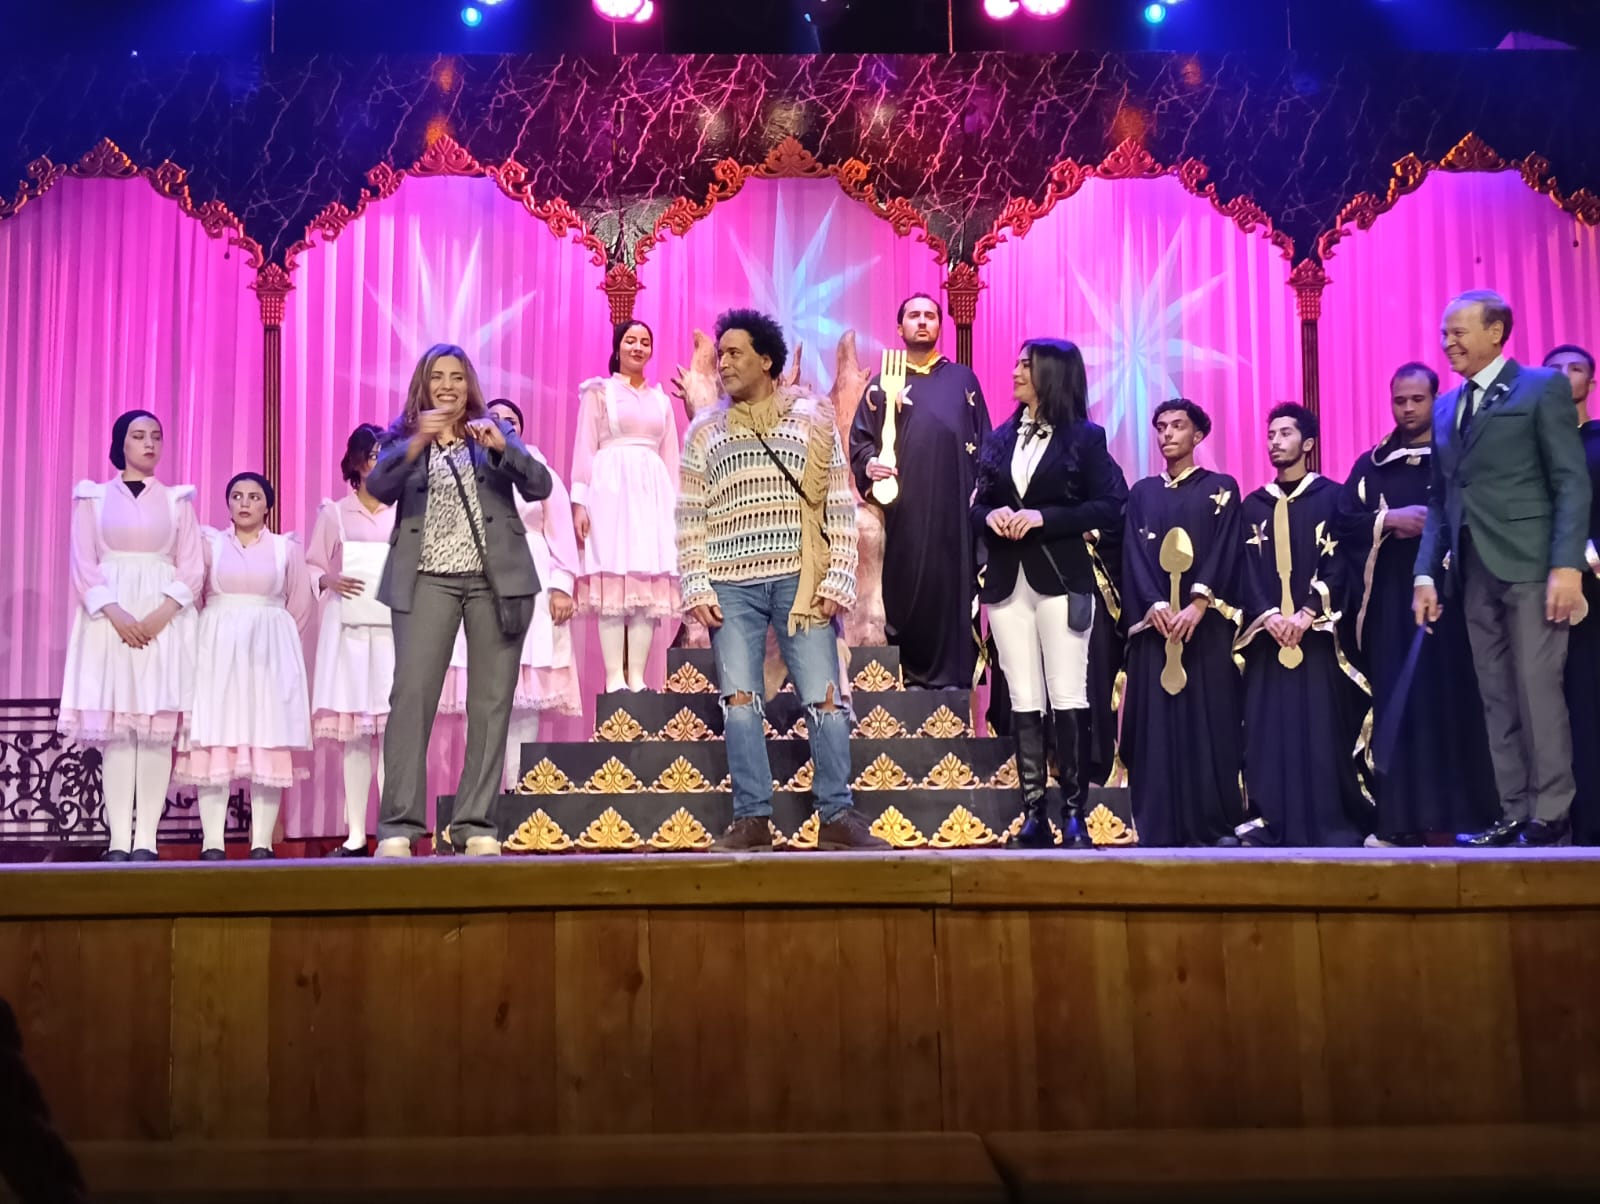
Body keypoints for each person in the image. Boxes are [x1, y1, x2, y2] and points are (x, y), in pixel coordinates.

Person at [678, 308, 886, 852]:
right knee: (739, 702)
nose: (723, 363)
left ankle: (836, 814)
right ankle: (752, 819)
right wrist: (695, 584)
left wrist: (839, 578)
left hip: (801, 580)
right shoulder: (704, 431)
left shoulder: (813, 419)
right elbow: (690, 515)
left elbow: (837, 503)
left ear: (767, 360)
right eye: (720, 355)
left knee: (825, 699)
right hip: (730, 586)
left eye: (735, 353)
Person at [1414, 291, 1592, 848]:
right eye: (1444, 334)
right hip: (1473, 570)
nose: (1448, 343)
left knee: (1538, 690)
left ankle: (1552, 813)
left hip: (1532, 564)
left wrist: (1567, 566)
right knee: (1496, 695)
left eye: (1459, 332)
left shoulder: (1541, 387)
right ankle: (1515, 811)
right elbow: (1441, 498)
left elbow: (1570, 480)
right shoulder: (1446, 406)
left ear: (1496, 332)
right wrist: (1425, 575)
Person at [367, 343, 552, 858]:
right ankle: (399, 825)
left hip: (494, 582)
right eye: (437, 377)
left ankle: (475, 824)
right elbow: (378, 487)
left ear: (469, 383)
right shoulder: (402, 437)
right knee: (412, 696)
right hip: (426, 579)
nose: (447, 386)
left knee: (491, 703)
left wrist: (504, 447)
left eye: (456, 377)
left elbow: (539, 485)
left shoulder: (491, 430)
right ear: (423, 385)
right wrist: (417, 442)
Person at [971, 339, 1127, 848]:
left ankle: (1075, 814)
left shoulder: (1085, 437)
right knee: (1023, 696)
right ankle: (1034, 814)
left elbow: (1111, 504)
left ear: (1052, 374)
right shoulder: (999, 437)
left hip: (1062, 578)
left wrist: (1044, 518)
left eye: (1027, 364)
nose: (1016, 371)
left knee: (1068, 693)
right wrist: (990, 515)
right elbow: (976, 505)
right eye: (1017, 362)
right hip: (1006, 582)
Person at [1335, 364, 1498, 845]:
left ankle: (1469, 820)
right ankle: (1400, 822)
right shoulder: (1372, 465)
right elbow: (1343, 523)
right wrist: (1388, 521)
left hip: (1454, 604)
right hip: (1392, 607)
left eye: (1417, 400)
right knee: (1399, 709)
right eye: (1399, 401)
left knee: (1457, 705)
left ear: (1435, 400)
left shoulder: (1459, 459)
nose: (1407, 409)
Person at [59, 410, 202, 862]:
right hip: (110, 622)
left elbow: (192, 567)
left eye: (156, 436)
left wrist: (162, 614)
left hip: (164, 621)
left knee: (156, 731)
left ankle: (147, 841)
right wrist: (116, 612)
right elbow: (83, 565)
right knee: (119, 732)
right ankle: (119, 839)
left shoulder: (178, 501)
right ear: (121, 442)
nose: (149, 443)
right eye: (139, 436)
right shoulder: (94, 498)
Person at [1234, 404, 1368, 847]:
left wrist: (1308, 612)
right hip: (1268, 638)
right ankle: (1271, 819)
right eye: (1271, 434)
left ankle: (1328, 821)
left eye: (1286, 433)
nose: (1275, 441)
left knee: (1320, 727)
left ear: (1307, 443)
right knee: (1268, 729)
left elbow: (1343, 559)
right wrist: (1270, 616)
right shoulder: (1252, 506)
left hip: (1318, 637)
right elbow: (1243, 569)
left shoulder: (1333, 498)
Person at [1120, 400, 1246, 848]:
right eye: (1161, 427)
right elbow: (1133, 555)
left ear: (1198, 435)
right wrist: (1154, 604)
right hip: (1155, 629)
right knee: (1156, 728)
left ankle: (1213, 824)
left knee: (1208, 724)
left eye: (1177, 426)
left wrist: (1198, 602)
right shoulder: (1142, 493)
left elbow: (1227, 549)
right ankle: (1153, 824)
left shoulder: (1221, 490)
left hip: (1203, 629)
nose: (1167, 434)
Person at [849, 294, 992, 688]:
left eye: (930, 315)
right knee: (904, 588)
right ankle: (904, 679)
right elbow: (860, 442)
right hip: (903, 512)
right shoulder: (882, 385)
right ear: (900, 328)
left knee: (951, 590)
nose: (923, 321)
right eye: (914, 315)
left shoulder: (963, 380)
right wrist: (869, 464)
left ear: (940, 326)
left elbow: (986, 445)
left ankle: (953, 684)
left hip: (954, 511)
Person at [176, 473, 316, 859]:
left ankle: (261, 843)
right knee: (215, 737)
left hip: (270, 655)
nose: (245, 503)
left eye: (254, 497)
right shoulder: (210, 545)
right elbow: (195, 597)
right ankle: (212, 842)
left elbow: (300, 607)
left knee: (267, 738)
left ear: (267, 505)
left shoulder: (285, 549)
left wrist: (278, 645)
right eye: (237, 496)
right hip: (217, 653)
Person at [572, 321, 680, 692]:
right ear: (618, 347)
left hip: (652, 495)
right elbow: (584, 448)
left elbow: (671, 458)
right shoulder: (599, 392)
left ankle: (636, 676)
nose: (638, 347)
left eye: (645, 342)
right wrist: (579, 503)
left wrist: (677, 512)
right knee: (613, 579)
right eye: (631, 340)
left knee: (646, 583)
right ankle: (614, 677)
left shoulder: (661, 400)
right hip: (611, 492)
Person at [306, 424, 396, 857]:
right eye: (373, 454)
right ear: (356, 461)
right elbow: (312, 566)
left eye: (386, 454)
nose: (379, 462)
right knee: (356, 736)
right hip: (350, 631)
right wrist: (329, 579)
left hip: (394, 629)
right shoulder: (335, 513)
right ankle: (357, 835)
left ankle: (393, 832)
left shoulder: (404, 510)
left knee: (394, 734)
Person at [489, 399, 581, 791]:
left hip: (534, 573)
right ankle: (487, 789)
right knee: (488, 686)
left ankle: (518, 784)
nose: (502, 425)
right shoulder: (473, 467)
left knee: (528, 685)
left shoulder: (538, 468)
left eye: (510, 420)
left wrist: (562, 586)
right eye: (494, 419)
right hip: (485, 576)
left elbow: (560, 530)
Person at [1546, 343, 1600, 844]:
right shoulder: (1531, 446)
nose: (1565, 376)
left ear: (1591, 382)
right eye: (1554, 369)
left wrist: (1587, 554)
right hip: (1538, 594)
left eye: (1575, 368)